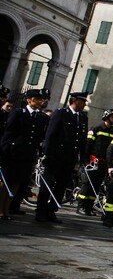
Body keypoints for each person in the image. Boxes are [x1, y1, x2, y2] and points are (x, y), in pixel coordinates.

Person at [36, 91, 89, 223]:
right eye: (82, 101)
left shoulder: (83, 117)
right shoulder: (61, 114)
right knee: (47, 185)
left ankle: (51, 210)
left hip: (69, 159)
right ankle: (41, 211)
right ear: (75, 101)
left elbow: (82, 140)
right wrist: (47, 153)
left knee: (61, 186)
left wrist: (82, 157)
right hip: (55, 157)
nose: (84, 104)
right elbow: (50, 135)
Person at [0, 88, 50, 220]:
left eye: (41, 99)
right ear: (29, 100)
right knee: (5, 182)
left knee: (17, 182)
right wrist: (4, 152)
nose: (39, 101)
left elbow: (39, 137)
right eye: (37, 99)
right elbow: (8, 133)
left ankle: (7, 209)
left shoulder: (40, 117)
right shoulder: (18, 113)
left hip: (27, 155)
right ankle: (0, 209)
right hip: (13, 153)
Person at [78, 108, 113, 216]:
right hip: (92, 162)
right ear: (106, 117)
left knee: (96, 186)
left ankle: (89, 207)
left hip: (103, 164)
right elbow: (87, 145)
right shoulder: (96, 128)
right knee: (87, 185)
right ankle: (81, 206)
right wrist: (85, 160)